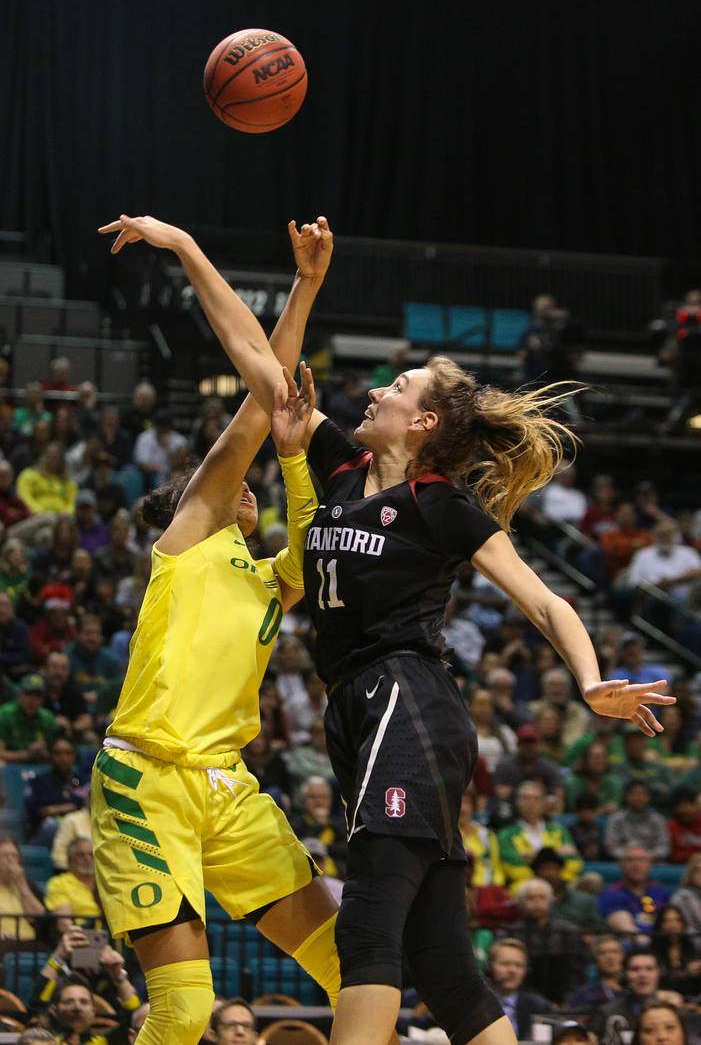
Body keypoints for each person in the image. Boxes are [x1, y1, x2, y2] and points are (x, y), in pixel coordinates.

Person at [153, 208, 677, 1045]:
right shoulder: (338, 465)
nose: (376, 390)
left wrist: (587, 681)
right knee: (442, 964)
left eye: (397, 389)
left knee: (365, 925)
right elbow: (258, 360)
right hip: (357, 709)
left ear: (424, 423)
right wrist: (192, 250)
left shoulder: (439, 505)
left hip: (408, 698)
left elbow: (543, 599)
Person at [94, 213, 341, 1045]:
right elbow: (262, 394)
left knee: (355, 965)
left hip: (225, 787)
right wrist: (187, 246)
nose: (242, 479)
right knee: (185, 1011)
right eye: (222, 475)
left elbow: (309, 557)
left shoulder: (267, 575)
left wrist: (307, 283)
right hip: (148, 779)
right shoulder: (189, 537)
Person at [485, 938, 551, 1039]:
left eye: (519, 965)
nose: (512, 970)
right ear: (489, 967)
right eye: (505, 964)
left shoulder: (539, 1007)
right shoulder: (476, 1006)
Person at [598, 844, 670, 938]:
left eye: (641, 860)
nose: (636, 865)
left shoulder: (661, 892)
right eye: (630, 860)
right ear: (621, 865)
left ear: (650, 865)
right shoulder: (611, 894)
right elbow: (622, 926)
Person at [567, 935, 626, 1008]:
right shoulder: (584, 994)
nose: (610, 957)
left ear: (623, 956)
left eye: (614, 952)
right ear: (594, 959)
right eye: (603, 953)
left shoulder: (632, 989)